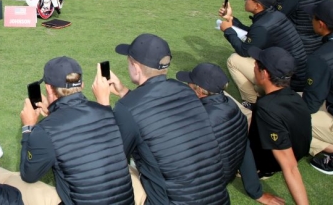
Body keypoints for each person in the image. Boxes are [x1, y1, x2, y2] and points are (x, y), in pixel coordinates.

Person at [93, 33, 230, 204]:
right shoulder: (185, 91)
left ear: (135, 67)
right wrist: (122, 91)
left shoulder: (127, 108)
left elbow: (108, 157)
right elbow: (153, 112)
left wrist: (103, 104)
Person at [0, 56, 135, 205]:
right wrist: (52, 115)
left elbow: (28, 175)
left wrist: (28, 128)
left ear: (49, 88)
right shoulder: (106, 111)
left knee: (16, 183)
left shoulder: (46, 130)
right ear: (81, 85)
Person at [176, 63, 284, 204]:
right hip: (222, 178)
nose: (187, 85)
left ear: (200, 91)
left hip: (198, 187)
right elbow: (244, 148)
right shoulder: (232, 107)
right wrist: (256, 192)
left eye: (190, 83)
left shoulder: (199, 121)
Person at [218, 0, 307, 110]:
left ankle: (251, 102)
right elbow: (254, 34)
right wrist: (231, 19)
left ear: (257, 5)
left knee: (234, 59)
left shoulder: (262, 26)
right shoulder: (273, 15)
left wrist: (228, 30)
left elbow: (244, 50)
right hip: (292, 71)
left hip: (288, 81)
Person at [246, 47, 311, 204]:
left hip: (265, 163)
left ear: (265, 73)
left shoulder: (266, 107)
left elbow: (289, 166)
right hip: (295, 151)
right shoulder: (295, 97)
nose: (254, 66)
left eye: (256, 64)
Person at [301, 0, 333, 175]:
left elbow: (309, 106)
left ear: (321, 24)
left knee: (283, 120)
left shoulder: (322, 57)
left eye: (313, 18)